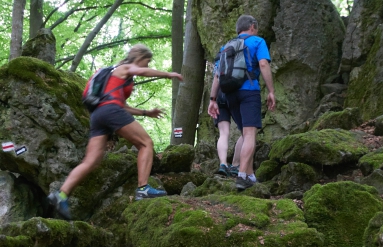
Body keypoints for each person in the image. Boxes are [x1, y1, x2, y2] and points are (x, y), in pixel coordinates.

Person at [47, 44, 184, 219]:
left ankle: (61, 195)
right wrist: (168, 74)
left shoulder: (114, 74)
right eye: (147, 62)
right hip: (110, 111)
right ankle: (143, 188)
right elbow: (137, 77)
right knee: (146, 143)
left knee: (91, 161)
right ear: (139, 58)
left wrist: (145, 113)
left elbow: (121, 105)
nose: (147, 66)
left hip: (98, 115)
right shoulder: (125, 67)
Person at [208, 15, 276, 189]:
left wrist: (213, 99)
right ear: (252, 26)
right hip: (249, 92)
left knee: (246, 135)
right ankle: (242, 175)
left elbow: (217, 75)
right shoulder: (257, 41)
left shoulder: (226, 47)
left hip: (229, 94)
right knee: (250, 134)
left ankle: (250, 175)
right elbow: (263, 65)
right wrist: (271, 91)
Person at [213, 89, 242, 177]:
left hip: (219, 95)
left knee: (223, 133)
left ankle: (223, 164)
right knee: (247, 133)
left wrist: (212, 99)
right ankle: (235, 165)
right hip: (236, 95)